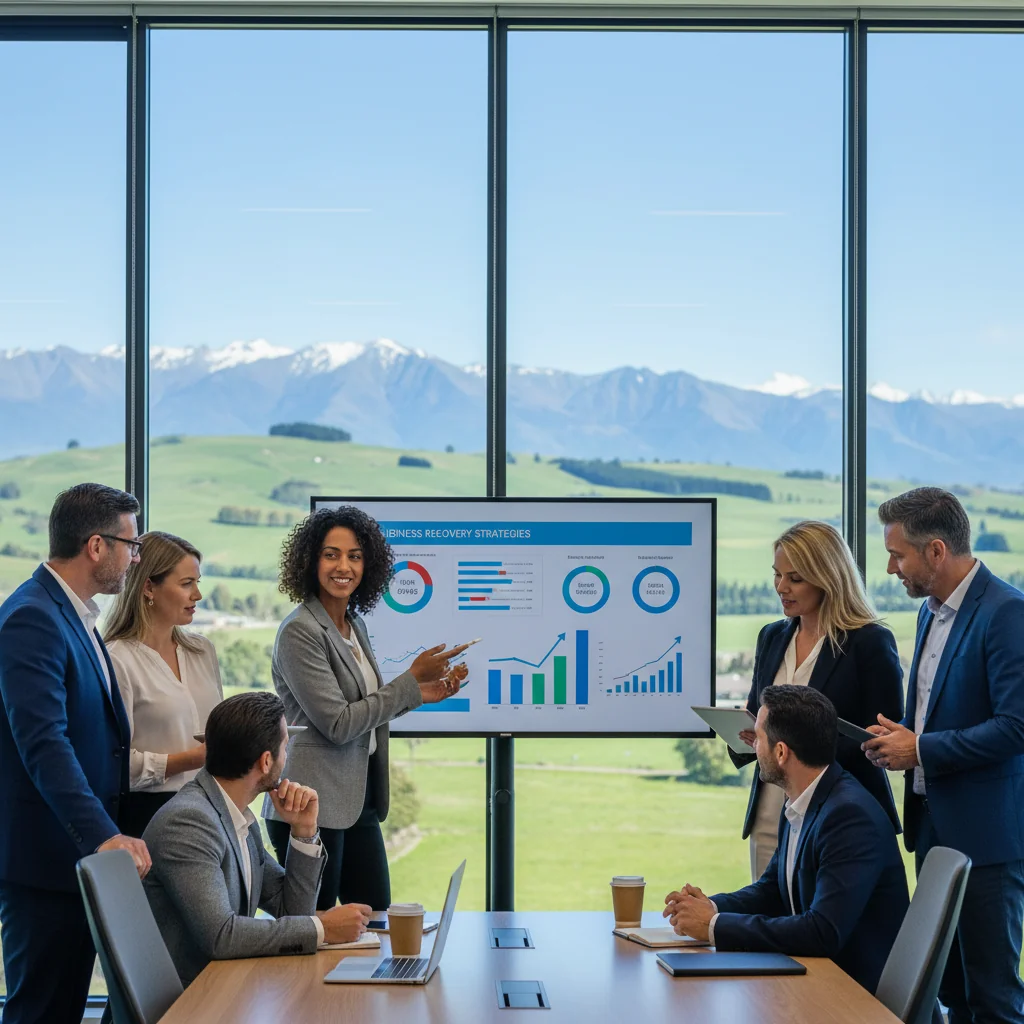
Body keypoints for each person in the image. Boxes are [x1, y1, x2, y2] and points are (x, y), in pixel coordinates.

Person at [864, 486, 1024, 1024]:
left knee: (992, 998)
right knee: (949, 991)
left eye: (897, 554)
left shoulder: (1007, 613)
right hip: (931, 830)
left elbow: (1016, 728)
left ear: (935, 551)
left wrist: (921, 748)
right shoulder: (928, 613)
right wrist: (901, 735)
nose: (890, 568)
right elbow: (940, 712)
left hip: (987, 841)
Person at [263, 506, 469, 911]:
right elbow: (339, 724)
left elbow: (364, 708)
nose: (344, 566)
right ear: (310, 561)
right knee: (318, 930)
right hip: (311, 805)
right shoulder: (300, 632)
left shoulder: (352, 625)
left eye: (355, 556)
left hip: (359, 801)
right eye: (331, 554)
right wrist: (408, 681)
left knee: (376, 918)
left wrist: (420, 694)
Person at [0, 483, 152, 1024]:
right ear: (95, 546)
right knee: (40, 1012)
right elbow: (44, 744)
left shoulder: (75, 615)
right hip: (46, 865)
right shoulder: (32, 618)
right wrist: (103, 834)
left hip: (75, 861)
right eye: (130, 546)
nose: (135, 558)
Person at [665, 685, 909, 994]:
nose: (755, 749)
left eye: (759, 739)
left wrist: (713, 927)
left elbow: (822, 932)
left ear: (780, 752)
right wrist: (709, 907)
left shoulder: (848, 817)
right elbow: (774, 891)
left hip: (853, 996)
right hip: (817, 982)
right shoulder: (803, 799)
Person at [143, 691, 372, 987]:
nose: (286, 758)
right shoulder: (189, 822)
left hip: (227, 988)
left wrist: (304, 832)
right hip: (187, 1004)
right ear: (266, 761)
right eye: (285, 747)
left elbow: (292, 911)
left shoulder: (237, 818)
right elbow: (221, 936)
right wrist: (323, 929)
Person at [730, 520, 903, 881]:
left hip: (837, 814)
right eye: (777, 575)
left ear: (827, 577)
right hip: (770, 809)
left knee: (820, 927)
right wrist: (749, 735)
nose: (781, 587)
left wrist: (800, 746)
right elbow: (756, 714)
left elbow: (882, 738)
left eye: (795, 578)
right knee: (768, 918)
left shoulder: (868, 642)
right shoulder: (772, 637)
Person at [104, 531, 224, 838]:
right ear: (148, 587)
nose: (197, 595)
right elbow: (111, 765)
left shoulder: (202, 651)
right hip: (148, 817)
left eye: (198, 582)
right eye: (186, 584)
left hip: (211, 808)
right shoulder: (117, 659)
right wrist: (194, 759)